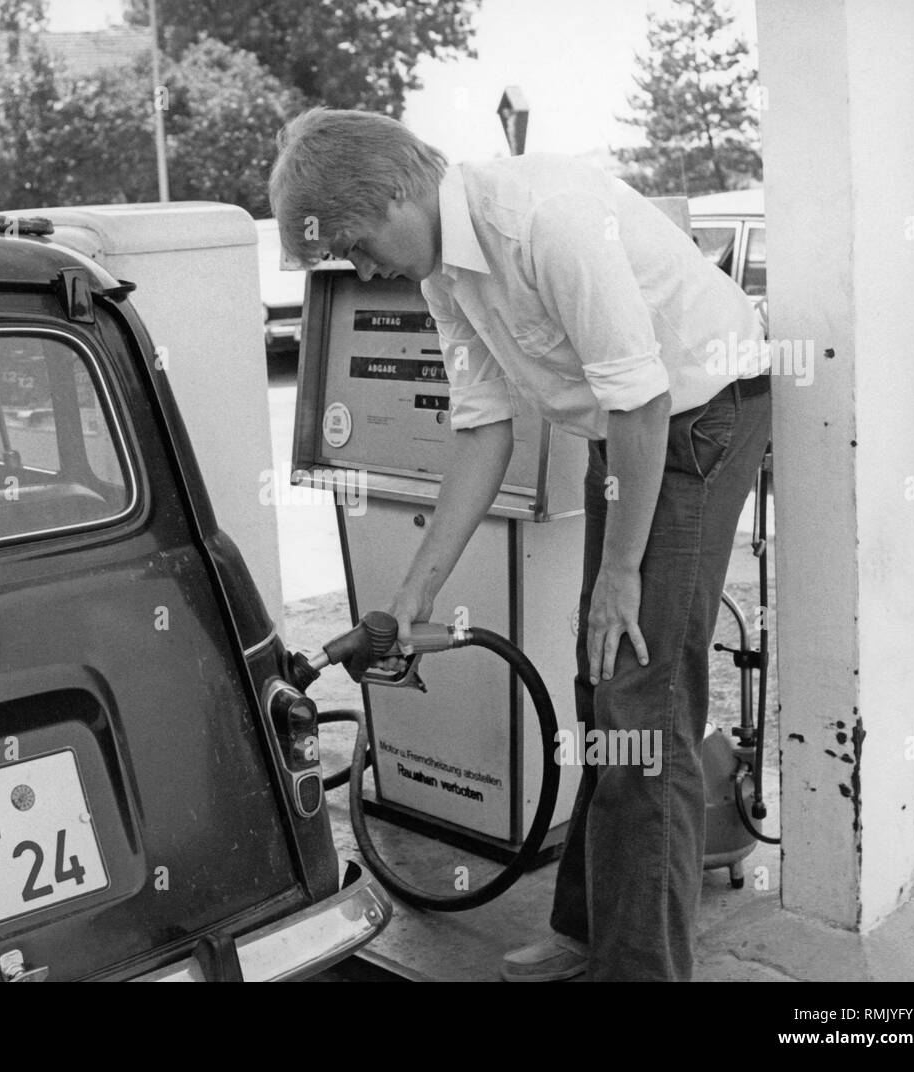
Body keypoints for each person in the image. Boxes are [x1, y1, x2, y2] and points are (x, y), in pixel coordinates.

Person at [268, 107, 772, 983]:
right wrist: (418, 590)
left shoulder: (542, 218)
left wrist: (621, 571)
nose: (362, 270)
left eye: (354, 244)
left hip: (696, 416)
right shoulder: (443, 273)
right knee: (598, 682)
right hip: (628, 433)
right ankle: (588, 930)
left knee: (642, 708)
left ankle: (641, 970)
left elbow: (647, 402)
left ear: (393, 190)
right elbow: (482, 433)